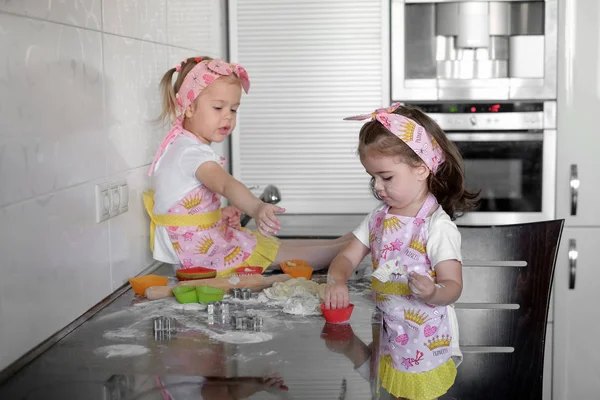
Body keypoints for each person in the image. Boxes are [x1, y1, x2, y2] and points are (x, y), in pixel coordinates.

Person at [324, 103, 479, 400]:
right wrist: (336, 280)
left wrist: (433, 292)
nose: (378, 187)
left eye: (387, 177)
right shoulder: (378, 218)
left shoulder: (437, 227)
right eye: (373, 178)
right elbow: (346, 257)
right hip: (387, 333)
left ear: (421, 167)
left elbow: (453, 286)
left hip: (422, 343)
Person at [144, 56, 351, 277]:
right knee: (276, 253)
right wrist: (256, 208)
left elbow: (181, 205)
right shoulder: (191, 152)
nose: (228, 117)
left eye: (233, 110)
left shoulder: (182, 145)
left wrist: (218, 214)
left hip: (196, 242)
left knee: (271, 247)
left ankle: (346, 243)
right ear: (189, 108)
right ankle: (349, 249)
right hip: (198, 255)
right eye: (218, 107)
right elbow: (226, 185)